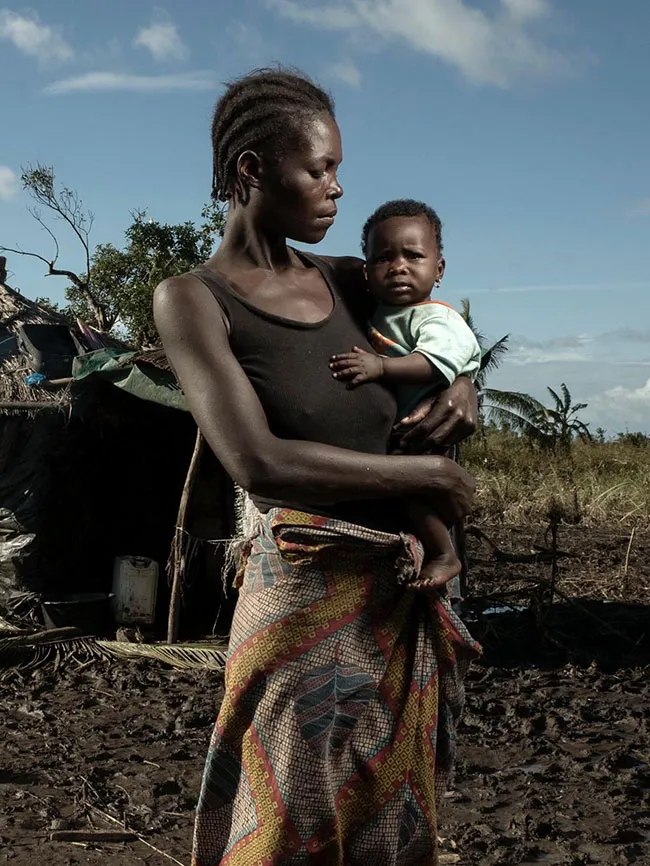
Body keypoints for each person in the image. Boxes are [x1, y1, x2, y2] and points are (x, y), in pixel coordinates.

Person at [154, 67, 481, 866]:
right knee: (285, 821)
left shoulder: (342, 278)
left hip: (395, 595)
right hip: (303, 593)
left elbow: (439, 333)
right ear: (251, 172)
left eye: (337, 168)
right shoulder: (194, 299)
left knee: (388, 818)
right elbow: (256, 460)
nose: (338, 187)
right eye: (320, 168)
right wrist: (427, 479)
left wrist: (465, 385)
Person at [330, 199, 481, 589]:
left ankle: (444, 553)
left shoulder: (436, 317)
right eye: (383, 258)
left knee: (408, 494)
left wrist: (380, 367)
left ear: (439, 268)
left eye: (413, 255)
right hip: (396, 437)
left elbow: (431, 363)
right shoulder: (377, 311)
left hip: (421, 434)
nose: (398, 266)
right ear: (366, 272)